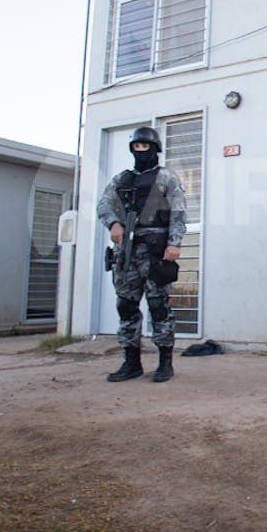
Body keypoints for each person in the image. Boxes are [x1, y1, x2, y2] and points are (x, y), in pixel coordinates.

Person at [97, 126, 186, 383]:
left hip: (157, 251)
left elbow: (178, 213)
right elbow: (104, 204)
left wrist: (174, 243)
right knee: (126, 306)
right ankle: (131, 362)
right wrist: (114, 223)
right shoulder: (121, 180)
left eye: (144, 147)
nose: (140, 151)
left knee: (159, 306)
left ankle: (164, 363)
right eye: (136, 147)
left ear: (155, 149)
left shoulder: (167, 178)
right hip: (127, 254)